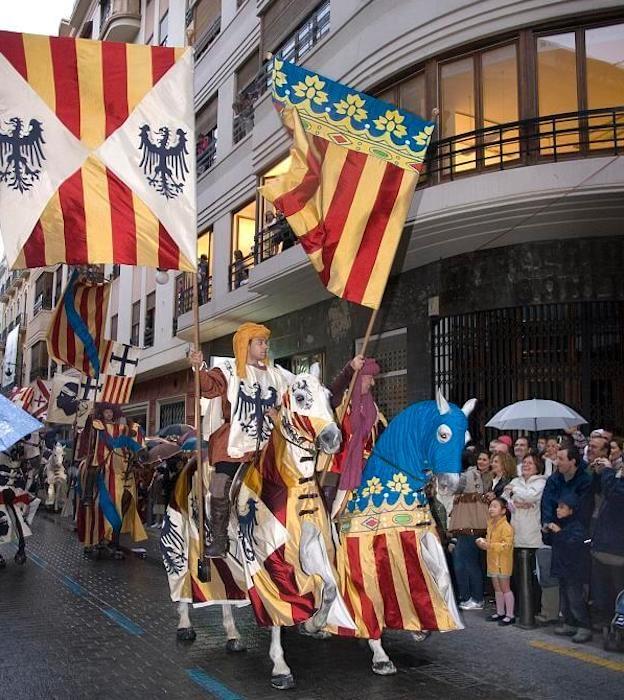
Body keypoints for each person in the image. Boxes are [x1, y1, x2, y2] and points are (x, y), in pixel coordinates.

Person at [189, 322, 290, 557]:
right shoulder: (229, 370)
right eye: (260, 342)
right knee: (219, 485)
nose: (265, 347)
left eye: (266, 342)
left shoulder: (276, 375)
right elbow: (209, 386)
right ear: (246, 344)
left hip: (267, 446)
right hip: (233, 444)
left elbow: (295, 399)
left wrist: (279, 414)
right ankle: (220, 538)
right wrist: (198, 369)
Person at [326, 354, 385, 514]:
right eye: (369, 378)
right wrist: (350, 368)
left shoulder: (372, 409)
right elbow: (332, 390)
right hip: (337, 471)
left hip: (365, 471)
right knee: (330, 511)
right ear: (358, 379)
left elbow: (378, 439)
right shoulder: (340, 401)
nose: (372, 383)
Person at [544, 495, 592, 643]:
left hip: (574, 569)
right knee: (565, 597)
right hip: (562, 567)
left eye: (562, 507)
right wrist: (546, 532)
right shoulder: (561, 523)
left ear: (571, 510)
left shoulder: (577, 526)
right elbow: (551, 542)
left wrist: (559, 532)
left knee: (575, 598)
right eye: (558, 507)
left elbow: (574, 544)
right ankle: (569, 623)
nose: (558, 510)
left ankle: (584, 626)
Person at [503, 453, 547, 617]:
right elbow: (505, 498)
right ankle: (520, 607)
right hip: (516, 533)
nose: (526, 465)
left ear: (537, 466)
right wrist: (517, 499)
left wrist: (515, 492)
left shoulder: (541, 481)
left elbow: (532, 496)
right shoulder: (516, 480)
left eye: (530, 463)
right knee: (518, 575)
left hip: (533, 535)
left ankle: (534, 608)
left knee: (532, 576)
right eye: (524, 462)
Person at [449, 451, 489, 611]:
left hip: (468, 523)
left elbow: (452, 488)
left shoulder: (467, 476)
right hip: (471, 522)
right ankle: (471, 597)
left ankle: (476, 598)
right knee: (468, 561)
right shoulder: (475, 475)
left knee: (469, 562)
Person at [590, 445, 624, 628]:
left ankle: (616, 624)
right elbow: (600, 492)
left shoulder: (615, 478)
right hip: (603, 542)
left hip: (618, 546)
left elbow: (615, 494)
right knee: (601, 589)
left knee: (618, 591)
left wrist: (609, 471)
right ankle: (605, 622)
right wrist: (599, 473)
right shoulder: (615, 476)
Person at [476, 497, 515, 625]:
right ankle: (500, 612)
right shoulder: (491, 524)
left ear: (503, 510)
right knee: (497, 589)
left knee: (505, 588)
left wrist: (489, 545)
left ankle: (510, 614)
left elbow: (506, 545)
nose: (491, 509)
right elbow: (491, 541)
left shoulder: (506, 527)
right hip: (493, 561)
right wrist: (483, 542)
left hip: (502, 563)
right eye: (490, 506)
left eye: (495, 506)